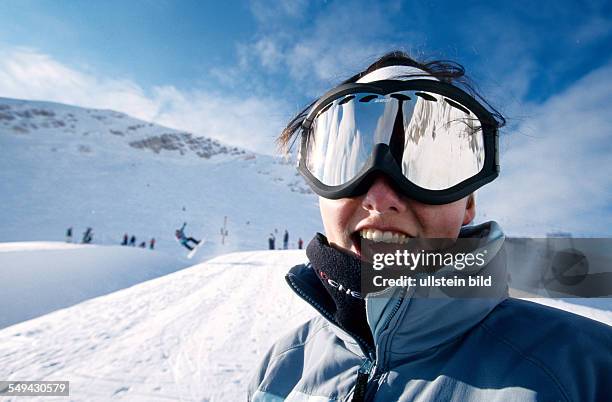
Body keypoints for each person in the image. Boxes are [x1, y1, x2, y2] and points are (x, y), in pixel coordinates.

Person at [248, 52, 612, 401]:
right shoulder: (281, 366)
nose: (379, 197)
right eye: (347, 159)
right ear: (318, 193)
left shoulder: (589, 374)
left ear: (468, 203)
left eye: (431, 166)